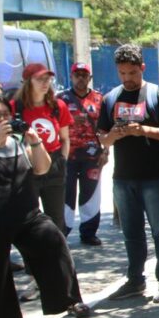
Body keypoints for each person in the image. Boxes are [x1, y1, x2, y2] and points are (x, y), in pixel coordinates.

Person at [0, 95, 91, 318]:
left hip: (26, 215)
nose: (3, 120)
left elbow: (42, 168)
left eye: (6, 115)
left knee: (53, 240)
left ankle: (69, 300)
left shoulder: (18, 143)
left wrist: (36, 142)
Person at [98, 44, 159, 304]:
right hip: (123, 177)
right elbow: (103, 139)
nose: (127, 78)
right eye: (122, 73)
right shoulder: (110, 99)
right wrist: (115, 134)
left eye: (132, 73)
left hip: (155, 175)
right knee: (131, 232)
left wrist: (143, 131)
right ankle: (135, 280)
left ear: (142, 68)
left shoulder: (157, 96)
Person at [11, 64, 72, 234]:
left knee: (56, 218)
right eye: (40, 79)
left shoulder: (58, 106)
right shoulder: (15, 106)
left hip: (54, 163)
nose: (45, 83)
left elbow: (65, 138)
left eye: (48, 79)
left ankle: (57, 249)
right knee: (28, 216)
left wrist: (62, 160)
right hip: (28, 165)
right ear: (27, 82)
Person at [59, 62, 106, 246]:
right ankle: (62, 232)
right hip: (67, 156)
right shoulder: (61, 99)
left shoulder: (99, 99)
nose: (80, 78)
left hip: (92, 157)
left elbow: (105, 127)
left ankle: (89, 232)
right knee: (66, 194)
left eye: (84, 75)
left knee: (91, 195)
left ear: (89, 78)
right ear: (71, 77)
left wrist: (106, 151)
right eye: (77, 75)